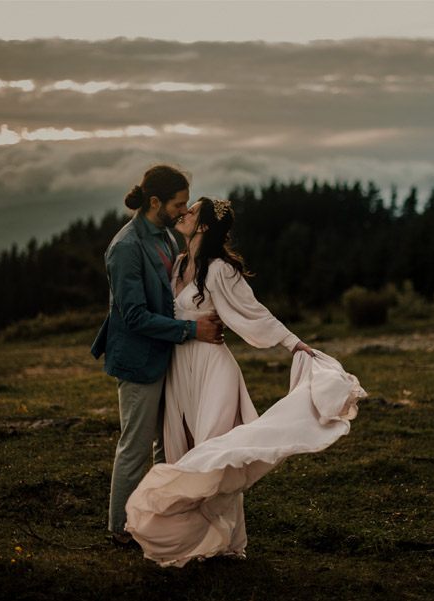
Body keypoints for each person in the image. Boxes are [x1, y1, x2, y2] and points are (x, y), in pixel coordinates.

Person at [124, 197, 364, 566]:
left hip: (212, 370)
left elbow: (255, 315)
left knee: (216, 453)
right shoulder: (181, 263)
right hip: (179, 370)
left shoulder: (220, 269)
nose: (183, 213)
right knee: (181, 449)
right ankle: (194, 541)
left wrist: (293, 344)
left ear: (203, 226)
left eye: (192, 211)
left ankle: (227, 541)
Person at [91, 166, 224, 546]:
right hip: (138, 360)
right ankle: (121, 529)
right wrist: (191, 330)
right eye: (179, 204)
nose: (184, 212)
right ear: (155, 202)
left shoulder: (166, 237)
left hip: (168, 356)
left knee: (167, 443)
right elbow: (133, 316)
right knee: (134, 448)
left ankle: (158, 514)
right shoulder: (126, 247)